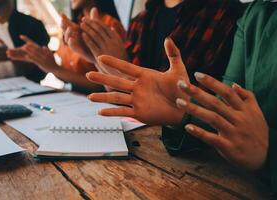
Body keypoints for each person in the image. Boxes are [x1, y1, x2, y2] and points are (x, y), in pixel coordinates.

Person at [85, 1, 277, 195]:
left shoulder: (224, 12)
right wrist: (183, 113)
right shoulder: (257, 15)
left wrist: (269, 153)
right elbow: (223, 115)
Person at [65, 0, 244, 86]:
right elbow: (118, 96)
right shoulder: (141, 21)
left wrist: (119, 67)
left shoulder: (222, 14)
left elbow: (195, 112)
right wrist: (99, 59)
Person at [7, 0, 125, 94]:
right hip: (73, 98)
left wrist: (54, 68)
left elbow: (107, 87)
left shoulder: (110, 26)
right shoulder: (72, 27)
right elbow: (65, 75)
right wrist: (41, 59)